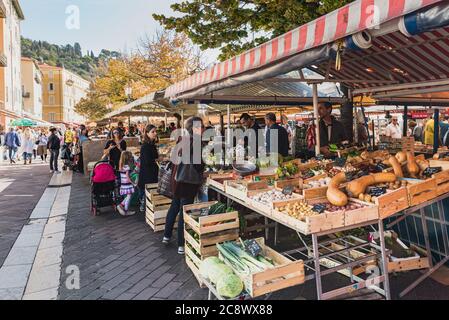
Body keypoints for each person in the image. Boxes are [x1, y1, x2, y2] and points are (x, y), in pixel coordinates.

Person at [163, 116, 206, 255]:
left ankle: (166, 236)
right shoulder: (196, 142)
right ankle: (181, 245)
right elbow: (198, 165)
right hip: (188, 181)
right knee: (184, 211)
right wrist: (204, 169)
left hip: (177, 179)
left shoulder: (182, 139)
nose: (203, 129)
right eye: (201, 126)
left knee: (174, 206)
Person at [138, 125, 159, 212]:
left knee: (150, 192)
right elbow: (147, 161)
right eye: (153, 132)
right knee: (149, 191)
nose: (155, 133)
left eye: (155, 131)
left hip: (151, 172)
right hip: (148, 174)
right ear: (147, 133)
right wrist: (156, 159)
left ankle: (148, 206)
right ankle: (145, 205)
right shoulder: (146, 146)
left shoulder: (151, 144)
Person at [117, 151, 136, 216]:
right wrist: (133, 183)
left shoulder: (121, 166)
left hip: (123, 183)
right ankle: (126, 210)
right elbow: (128, 177)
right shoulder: (127, 167)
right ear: (128, 158)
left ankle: (121, 205)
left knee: (128, 195)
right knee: (129, 196)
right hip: (127, 184)